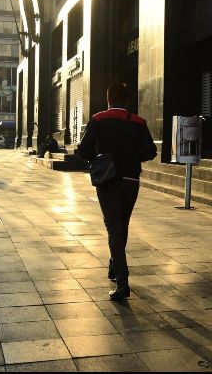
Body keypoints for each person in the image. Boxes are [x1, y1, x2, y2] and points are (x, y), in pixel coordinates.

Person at [78, 82, 157, 302]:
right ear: (128, 100)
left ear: (109, 99)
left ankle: (123, 283)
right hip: (131, 180)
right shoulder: (138, 122)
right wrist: (133, 157)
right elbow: (151, 151)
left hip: (108, 181)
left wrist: (100, 157)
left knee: (114, 229)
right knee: (122, 225)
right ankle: (114, 267)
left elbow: (83, 150)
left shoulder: (98, 119)